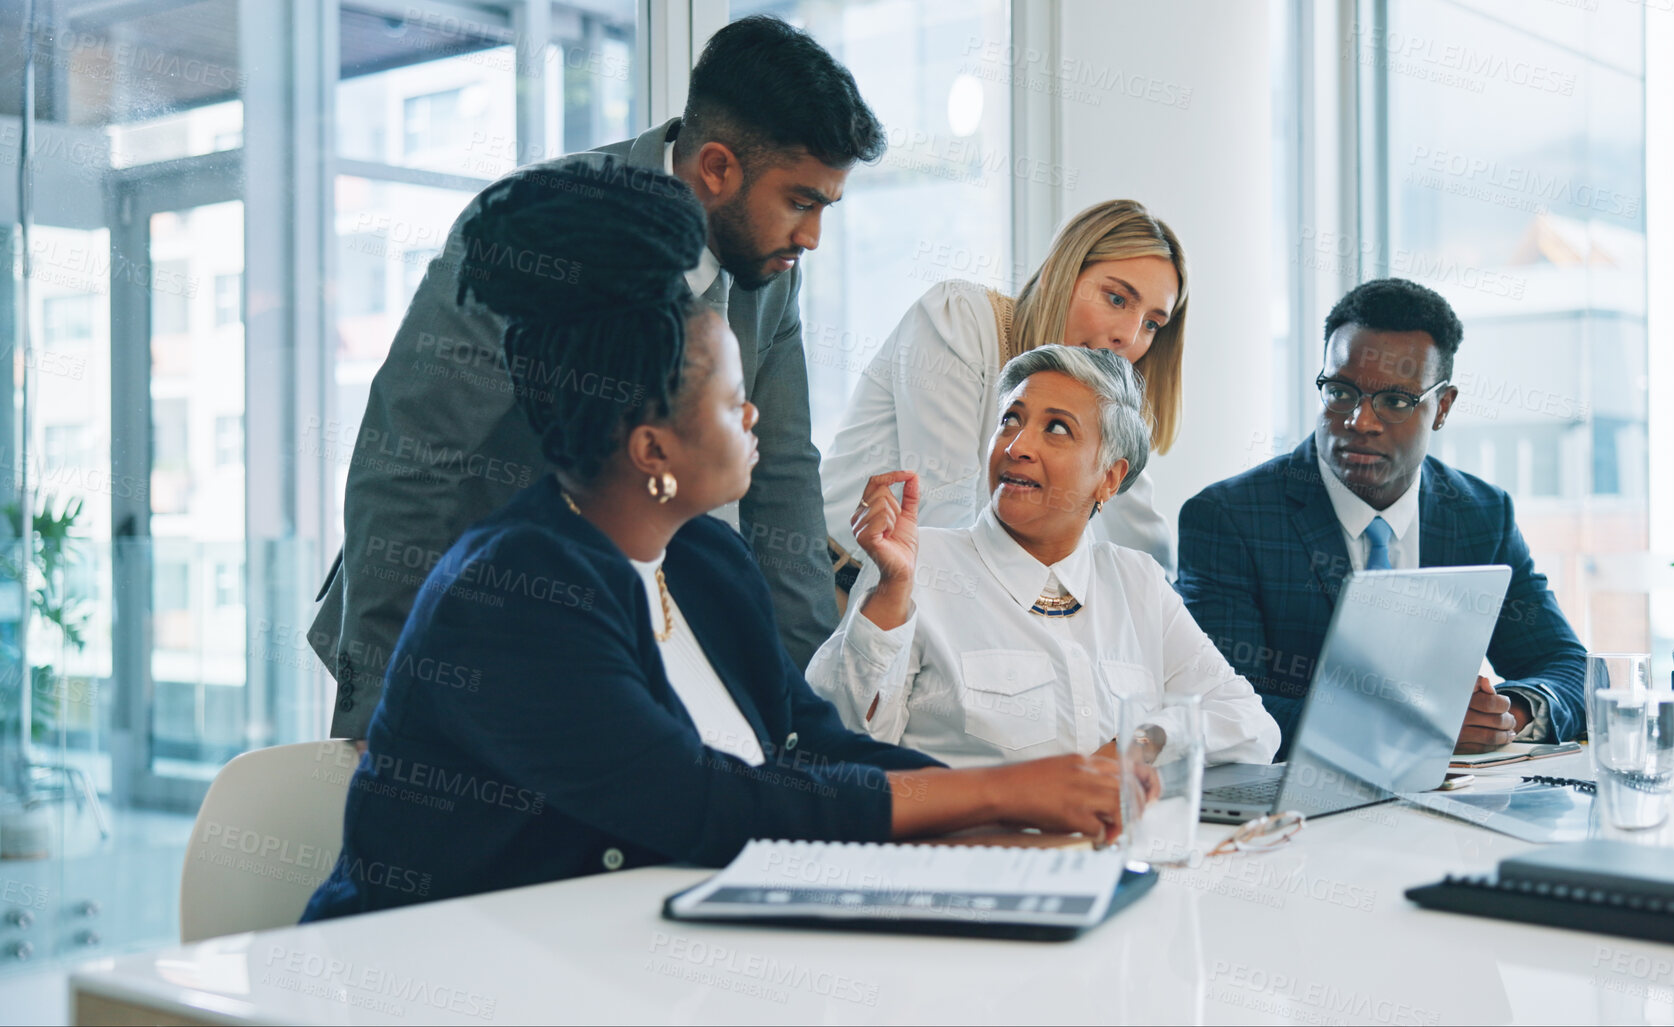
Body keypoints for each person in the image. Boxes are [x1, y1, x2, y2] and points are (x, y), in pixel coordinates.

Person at [303, 164, 1133, 921]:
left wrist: (1006, 802)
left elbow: (814, 743)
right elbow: (707, 803)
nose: (752, 414)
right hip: (432, 978)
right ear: (652, 450)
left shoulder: (706, 562)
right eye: (732, 396)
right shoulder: (515, 591)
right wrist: (1004, 789)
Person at [310, 15, 866, 740]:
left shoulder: (768, 271)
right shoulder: (540, 226)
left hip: (636, 644)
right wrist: (388, 706)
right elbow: (411, 460)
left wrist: (796, 705)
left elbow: (783, 479)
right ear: (718, 168)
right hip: (468, 633)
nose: (812, 236)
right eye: (800, 201)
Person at [808, 345, 1279, 769]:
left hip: (1114, 852)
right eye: (1010, 420)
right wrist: (890, 594)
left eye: (1056, 428)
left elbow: (1251, 723)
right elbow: (843, 745)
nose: (1017, 446)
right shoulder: (917, 563)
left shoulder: (1137, 582)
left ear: (1109, 479)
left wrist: (1139, 744)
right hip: (976, 855)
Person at [1176, 278, 1586, 760]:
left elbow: (1566, 666)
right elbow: (1221, 707)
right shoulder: (1231, 519)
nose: (1360, 422)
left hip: (1453, 811)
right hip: (1303, 816)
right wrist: (1411, 727)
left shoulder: (1481, 514)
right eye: (1342, 392)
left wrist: (1506, 713)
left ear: (1443, 407)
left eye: (1395, 401)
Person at [819, 200, 1188, 590]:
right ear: (1058, 274)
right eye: (1116, 299)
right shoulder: (960, 320)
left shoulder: (1099, 404)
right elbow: (946, 517)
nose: (1129, 337)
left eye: (1151, 323)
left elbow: (1146, 558)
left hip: (959, 605)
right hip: (837, 585)